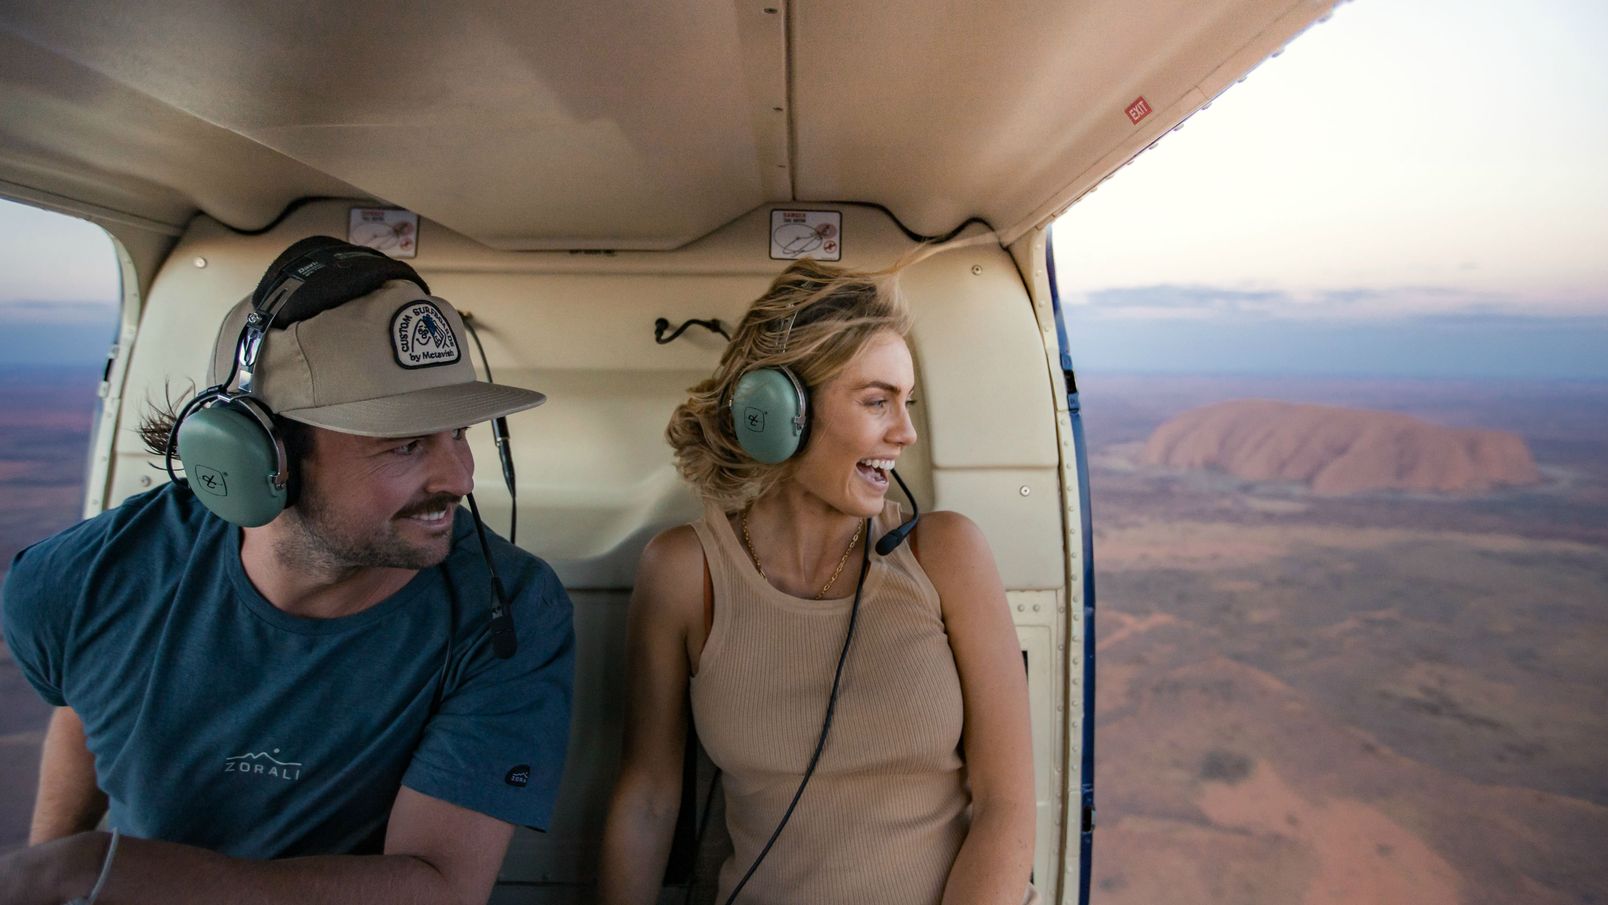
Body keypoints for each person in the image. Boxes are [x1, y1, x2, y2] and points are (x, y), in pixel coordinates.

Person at [0, 237, 575, 905]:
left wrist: (94, 868)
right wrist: (49, 863)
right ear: (259, 456)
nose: (460, 476)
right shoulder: (80, 580)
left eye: (459, 433)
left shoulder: (507, 608)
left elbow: (439, 886)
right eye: (408, 443)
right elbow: (86, 702)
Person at [599, 258, 1036, 904]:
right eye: (876, 400)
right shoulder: (684, 573)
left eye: (906, 402)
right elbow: (649, 799)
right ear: (779, 410)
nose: (905, 431)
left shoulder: (945, 554)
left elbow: (1006, 806)